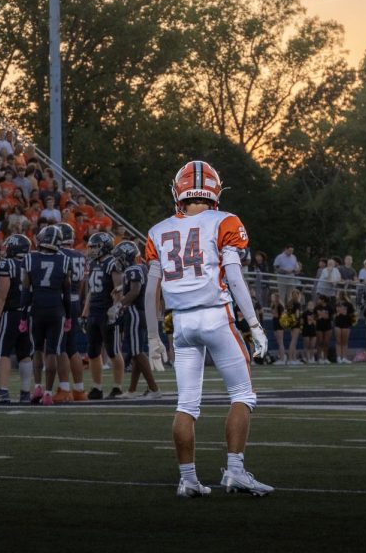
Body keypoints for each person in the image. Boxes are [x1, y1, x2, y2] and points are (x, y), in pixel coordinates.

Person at [143, 160, 272, 498]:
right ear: (215, 189)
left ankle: (187, 480)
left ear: (178, 191)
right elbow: (233, 275)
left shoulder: (158, 231)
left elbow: (150, 289)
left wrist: (153, 335)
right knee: (243, 394)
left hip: (181, 324)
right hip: (216, 316)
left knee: (186, 404)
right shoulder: (224, 221)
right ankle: (235, 471)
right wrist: (254, 323)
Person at [23, 224, 74, 406]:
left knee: (37, 349)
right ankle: (47, 392)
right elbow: (66, 293)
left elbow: (25, 291)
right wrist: (68, 316)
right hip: (56, 309)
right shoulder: (64, 260)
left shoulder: (30, 259)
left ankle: (37, 386)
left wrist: (23, 315)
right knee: (52, 350)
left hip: (36, 308)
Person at [0, 234, 35, 405]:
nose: (4, 249)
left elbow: (1, 295)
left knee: (3, 352)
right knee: (25, 353)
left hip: (11, 313)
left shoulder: (7, 263)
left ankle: (3, 391)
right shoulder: (31, 262)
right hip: (27, 313)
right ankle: (25, 392)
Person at [114, 239, 160, 398]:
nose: (118, 261)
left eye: (119, 257)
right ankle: (132, 390)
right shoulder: (141, 267)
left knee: (137, 352)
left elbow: (135, 291)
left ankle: (154, 389)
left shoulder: (132, 269)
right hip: (143, 312)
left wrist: (118, 305)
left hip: (134, 312)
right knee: (136, 351)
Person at [83, 230, 124, 400]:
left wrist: (116, 309)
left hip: (107, 312)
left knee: (113, 351)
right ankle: (97, 387)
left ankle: (117, 387)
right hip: (94, 311)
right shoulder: (93, 264)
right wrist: (84, 312)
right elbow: (91, 290)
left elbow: (119, 288)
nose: (91, 250)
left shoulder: (112, 263)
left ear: (104, 247)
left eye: (95, 247)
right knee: (93, 352)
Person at [55, 221, 88, 401]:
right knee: (72, 348)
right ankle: (79, 389)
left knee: (60, 347)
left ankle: (64, 388)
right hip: (75, 300)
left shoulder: (59, 255)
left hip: (61, 302)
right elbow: (82, 282)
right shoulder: (80, 256)